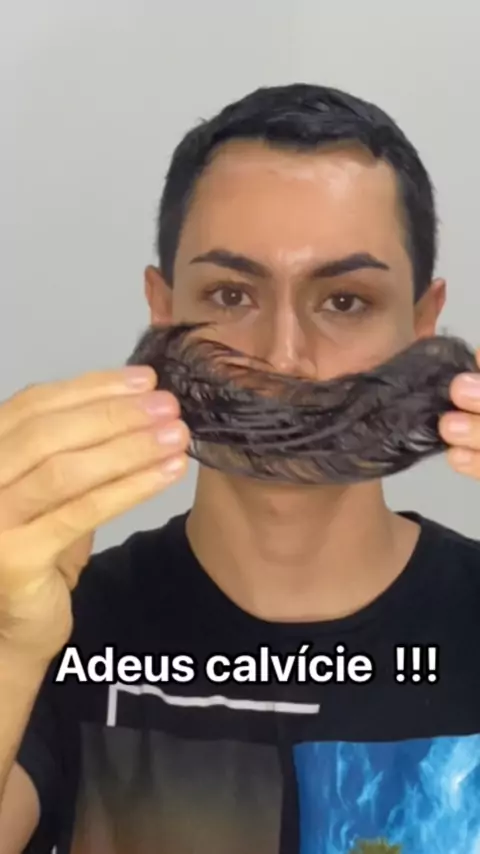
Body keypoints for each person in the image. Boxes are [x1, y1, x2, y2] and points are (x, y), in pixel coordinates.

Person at [0, 83, 479, 854]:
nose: (284, 357)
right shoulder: (56, 631)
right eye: (231, 294)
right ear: (163, 309)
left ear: (422, 324)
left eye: (346, 301)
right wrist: (8, 645)